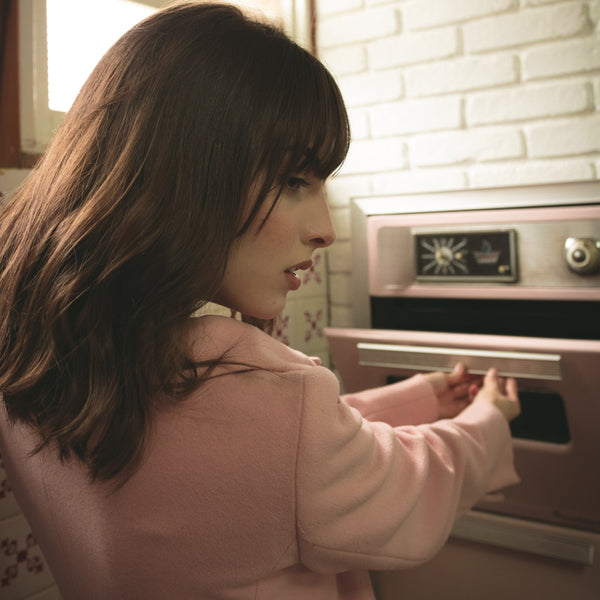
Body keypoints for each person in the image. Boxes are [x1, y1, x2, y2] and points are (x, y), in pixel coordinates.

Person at [0, 2, 521, 598]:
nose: (325, 228)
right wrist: (488, 422)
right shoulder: (234, 377)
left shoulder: (36, 344)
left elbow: (281, 453)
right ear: (184, 167)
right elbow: (403, 486)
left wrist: (418, 397)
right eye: (295, 181)